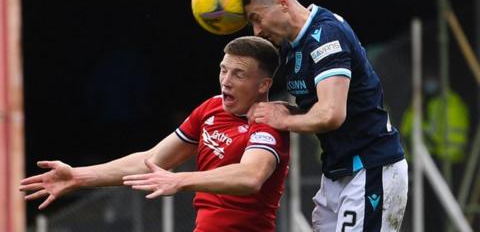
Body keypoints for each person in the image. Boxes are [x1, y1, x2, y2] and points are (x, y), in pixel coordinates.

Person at [19, 36, 290, 232]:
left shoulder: (270, 123)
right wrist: (78, 176)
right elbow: (151, 160)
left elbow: (250, 176)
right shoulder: (211, 108)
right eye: (223, 69)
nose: (226, 80)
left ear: (263, 85)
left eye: (239, 74)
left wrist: (181, 180)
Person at [243, 0, 408, 232]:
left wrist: (283, 118)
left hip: (371, 169)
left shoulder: (327, 35)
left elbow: (331, 113)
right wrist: (281, 110)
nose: (256, 30)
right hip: (337, 173)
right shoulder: (290, 47)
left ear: (283, 3)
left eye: (257, 18)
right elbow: (316, 109)